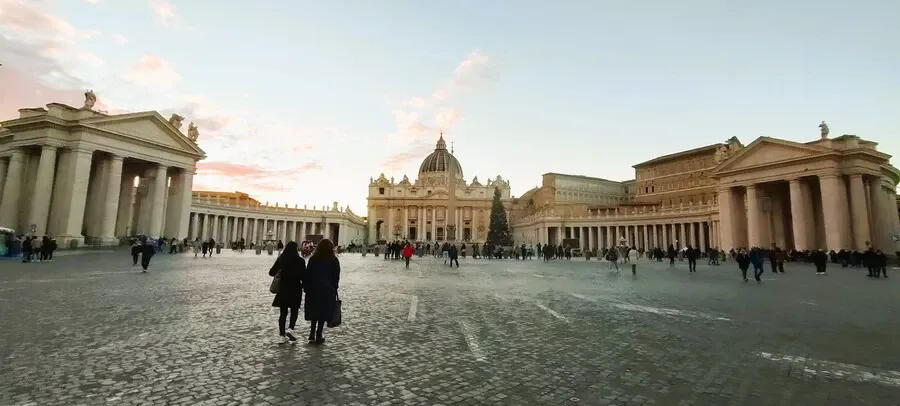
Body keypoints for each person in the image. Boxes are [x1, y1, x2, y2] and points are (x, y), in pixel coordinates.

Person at [303, 239, 340, 344]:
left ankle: (311, 333)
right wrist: (334, 288)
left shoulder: (313, 259)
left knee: (314, 311)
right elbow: (336, 276)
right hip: (327, 290)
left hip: (313, 289)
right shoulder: (333, 259)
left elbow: (307, 274)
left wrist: (306, 287)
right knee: (323, 313)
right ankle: (319, 333)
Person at [268, 241, 305, 344]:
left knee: (283, 313)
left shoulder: (281, 259)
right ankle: (291, 328)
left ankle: (282, 334)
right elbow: (303, 276)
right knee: (294, 311)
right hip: (296, 288)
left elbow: (271, 272)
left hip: (283, 288)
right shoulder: (300, 261)